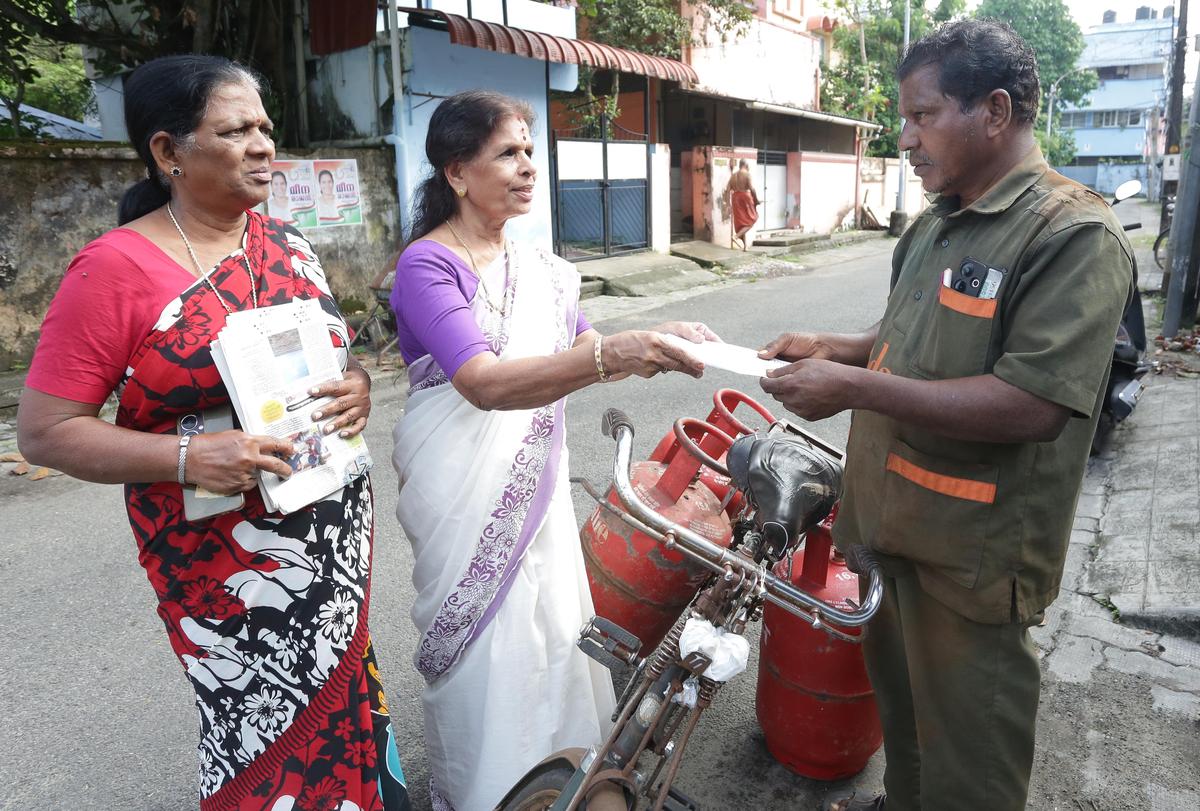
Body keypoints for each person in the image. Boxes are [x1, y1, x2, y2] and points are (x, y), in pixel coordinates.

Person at [16, 55, 410, 811]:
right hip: (224, 569)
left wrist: (357, 386)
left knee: (346, 704)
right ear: (168, 152)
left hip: (328, 538)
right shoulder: (114, 270)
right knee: (261, 734)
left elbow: (334, 355)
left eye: (265, 127)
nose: (264, 145)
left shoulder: (287, 243)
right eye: (235, 130)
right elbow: (45, 432)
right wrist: (189, 454)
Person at [757, 20, 1133, 811]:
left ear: (993, 112)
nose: (905, 138)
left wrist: (853, 388)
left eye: (922, 116)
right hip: (889, 537)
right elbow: (913, 338)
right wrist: (843, 347)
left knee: (969, 777)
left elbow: (1031, 404)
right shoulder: (936, 221)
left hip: (971, 563)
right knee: (909, 751)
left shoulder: (1072, 236)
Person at [389, 90, 715, 811]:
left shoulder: (542, 266)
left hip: (533, 492)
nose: (527, 166)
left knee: (550, 630)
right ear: (456, 172)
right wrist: (612, 358)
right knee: (487, 651)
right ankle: (487, 791)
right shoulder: (427, 266)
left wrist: (655, 338)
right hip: (460, 490)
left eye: (530, 151)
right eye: (507, 152)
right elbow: (481, 382)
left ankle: (562, 785)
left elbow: (581, 347)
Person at [725, 158, 759, 250]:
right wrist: (756, 200)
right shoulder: (747, 174)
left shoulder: (733, 176)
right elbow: (752, 189)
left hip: (735, 198)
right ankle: (736, 236)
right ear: (746, 165)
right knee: (752, 219)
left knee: (741, 224)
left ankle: (745, 246)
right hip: (745, 198)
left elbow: (727, 190)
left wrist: (728, 204)